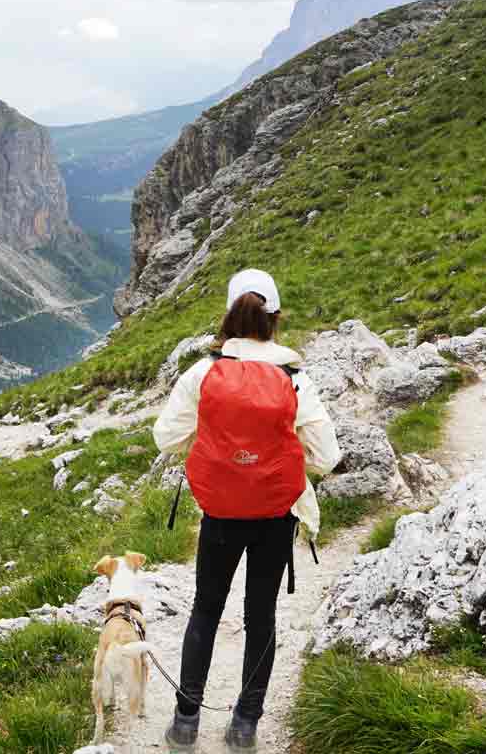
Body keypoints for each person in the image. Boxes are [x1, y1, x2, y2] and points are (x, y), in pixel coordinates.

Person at [152, 268, 341, 750]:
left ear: (230, 316)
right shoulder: (294, 379)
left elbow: (166, 438)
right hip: (275, 514)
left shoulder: (203, 372)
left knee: (206, 609)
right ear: (275, 319)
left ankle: (186, 720)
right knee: (261, 614)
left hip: (219, 511)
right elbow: (327, 456)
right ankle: (245, 724)